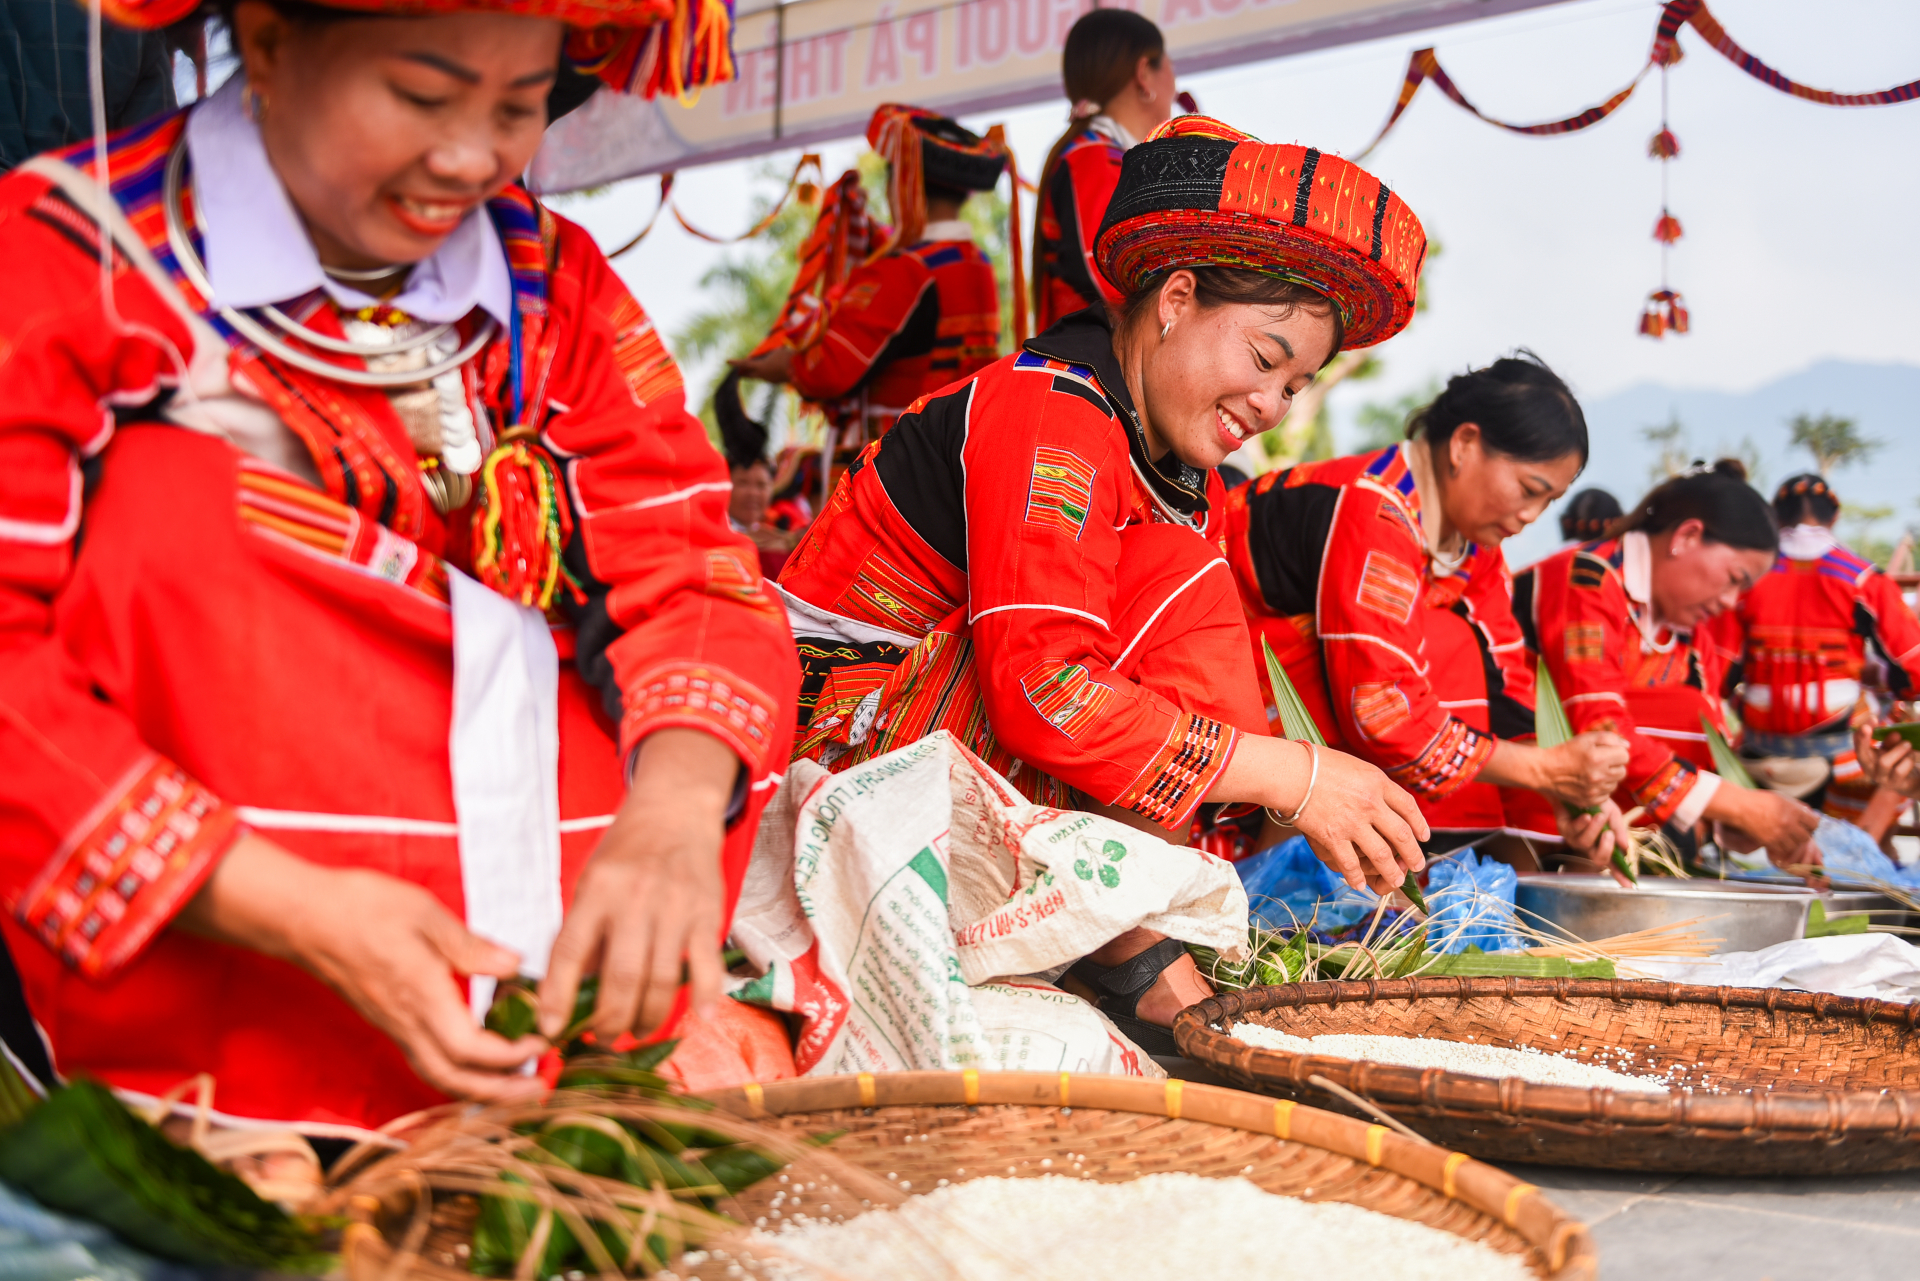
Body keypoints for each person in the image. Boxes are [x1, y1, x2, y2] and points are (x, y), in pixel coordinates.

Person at [0, 0, 798, 1132]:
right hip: (225, 1074)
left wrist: (672, 813)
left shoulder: (551, 287)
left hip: (558, 1048)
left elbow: (692, 565)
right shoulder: (62, 260)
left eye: (519, 107)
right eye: (421, 98)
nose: (470, 157)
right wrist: (289, 908)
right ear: (270, 44)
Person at [777, 116, 1433, 1051]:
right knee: (1168, 581)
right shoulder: (1053, 408)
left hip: (940, 739)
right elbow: (1044, 691)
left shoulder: (1175, 470)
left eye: (1296, 384)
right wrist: (1299, 775)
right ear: (1174, 299)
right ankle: (1124, 945)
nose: (1273, 404)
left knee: (1183, 579)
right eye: (1263, 359)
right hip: (842, 744)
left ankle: (1123, 935)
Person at [1223, 356, 1630, 849]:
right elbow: (1379, 707)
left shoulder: (1476, 549)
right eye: (1528, 490)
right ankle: (1288, 867)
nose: (1530, 516)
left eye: (1548, 503)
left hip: (1317, 685)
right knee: (1440, 641)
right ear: (1464, 445)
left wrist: (1569, 789)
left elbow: (1506, 680)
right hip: (1234, 672)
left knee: (1453, 649)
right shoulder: (1375, 508)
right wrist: (1543, 770)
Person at [1514, 462, 1820, 867]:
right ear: (1686, 537)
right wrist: (1738, 806)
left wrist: (1748, 824)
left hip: (1620, 846)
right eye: (1733, 578)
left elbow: (1711, 757)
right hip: (1533, 837)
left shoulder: (1692, 636)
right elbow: (1600, 725)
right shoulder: (1586, 580)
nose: (1730, 603)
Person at [731, 104, 1006, 448]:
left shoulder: (907, 270)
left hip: (899, 463)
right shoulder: (975, 263)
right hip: (959, 448)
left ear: (903, 184)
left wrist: (785, 365)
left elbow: (830, 371)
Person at [1720, 474, 1920, 822]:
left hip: (1758, 752)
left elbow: (1718, 674)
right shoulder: (1863, 579)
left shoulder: (1747, 578)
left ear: (1776, 517)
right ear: (1835, 518)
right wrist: (1881, 676)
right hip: (1845, 759)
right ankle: (1869, 851)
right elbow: (1914, 674)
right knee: (1891, 740)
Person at [1032, 8, 1173, 331]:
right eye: (1169, 66)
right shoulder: (1094, 156)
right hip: (1095, 369)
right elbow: (1114, 279)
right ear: (1144, 74)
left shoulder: (1100, 153)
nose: (1175, 84)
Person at [714, 369, 799, 579]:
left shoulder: (780, 535)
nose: (753, 493)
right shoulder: (712, 531)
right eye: (743, 483)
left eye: (761, 485)